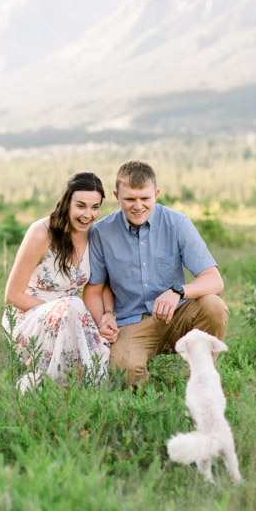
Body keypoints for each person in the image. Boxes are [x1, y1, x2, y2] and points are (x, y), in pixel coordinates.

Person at [83, 160, 229, 387]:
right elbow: (94, 289)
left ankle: (202, 381)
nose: (138, 206)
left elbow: (214, 280)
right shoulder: (101, 233)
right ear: (116, 196)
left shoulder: (177, 223)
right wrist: (103, 319)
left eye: (145, 199)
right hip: (131, 323)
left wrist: (177, 291)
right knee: (124, 371)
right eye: (130, 199)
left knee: (213, 306)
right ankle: (152, 404)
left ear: (156, 194)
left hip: (177, 316)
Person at [3, 171, 112, 393]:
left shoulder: (95, 236)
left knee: (100, 349)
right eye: (80, 206)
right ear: (67, 203)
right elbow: (12, 296)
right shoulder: (41, 233)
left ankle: (51, 387)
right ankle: (53, 390)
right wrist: (64, 314)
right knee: (71, 306)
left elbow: (98, 288)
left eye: (95, 207)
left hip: (73, 316)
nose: (88, 214)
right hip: (28, 316)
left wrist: (103, 319)